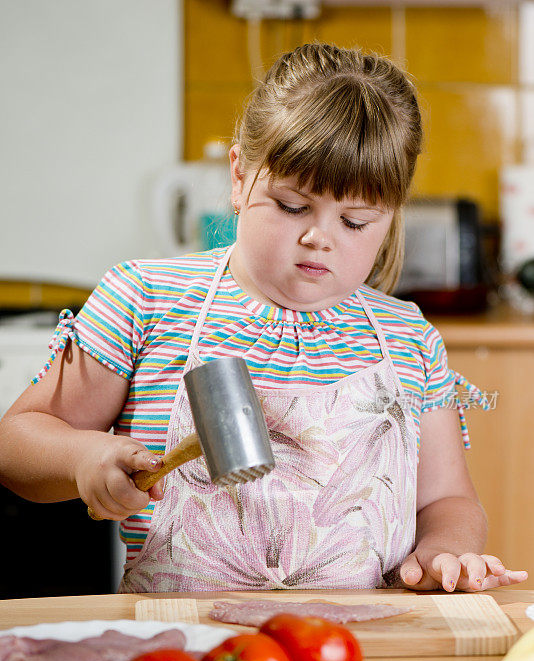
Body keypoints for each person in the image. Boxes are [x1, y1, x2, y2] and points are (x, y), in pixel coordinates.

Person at [0, 42, 527, 594]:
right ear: (239, 173)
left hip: (357, 652)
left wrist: (446, 550)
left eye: (354, 221)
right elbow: (17, 444)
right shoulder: (147, 299)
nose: (317, 237)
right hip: (184, 651)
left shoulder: (408, 338)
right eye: (292, 206)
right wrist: (85, 455)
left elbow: (447, 500)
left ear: (390, 216)